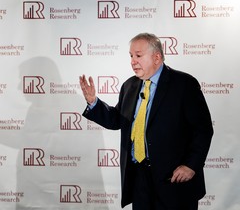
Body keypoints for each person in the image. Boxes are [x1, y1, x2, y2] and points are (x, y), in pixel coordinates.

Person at [79, 33, 213, 210]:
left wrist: (190, 165)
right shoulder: (129, 86)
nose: (133, 61)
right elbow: (118, 120)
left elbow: (203, 129)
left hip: (173, 179)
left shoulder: (184, 84)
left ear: (156, 57)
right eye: (131, 56)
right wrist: (93, 102)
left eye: (138, 55)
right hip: (139, 177)